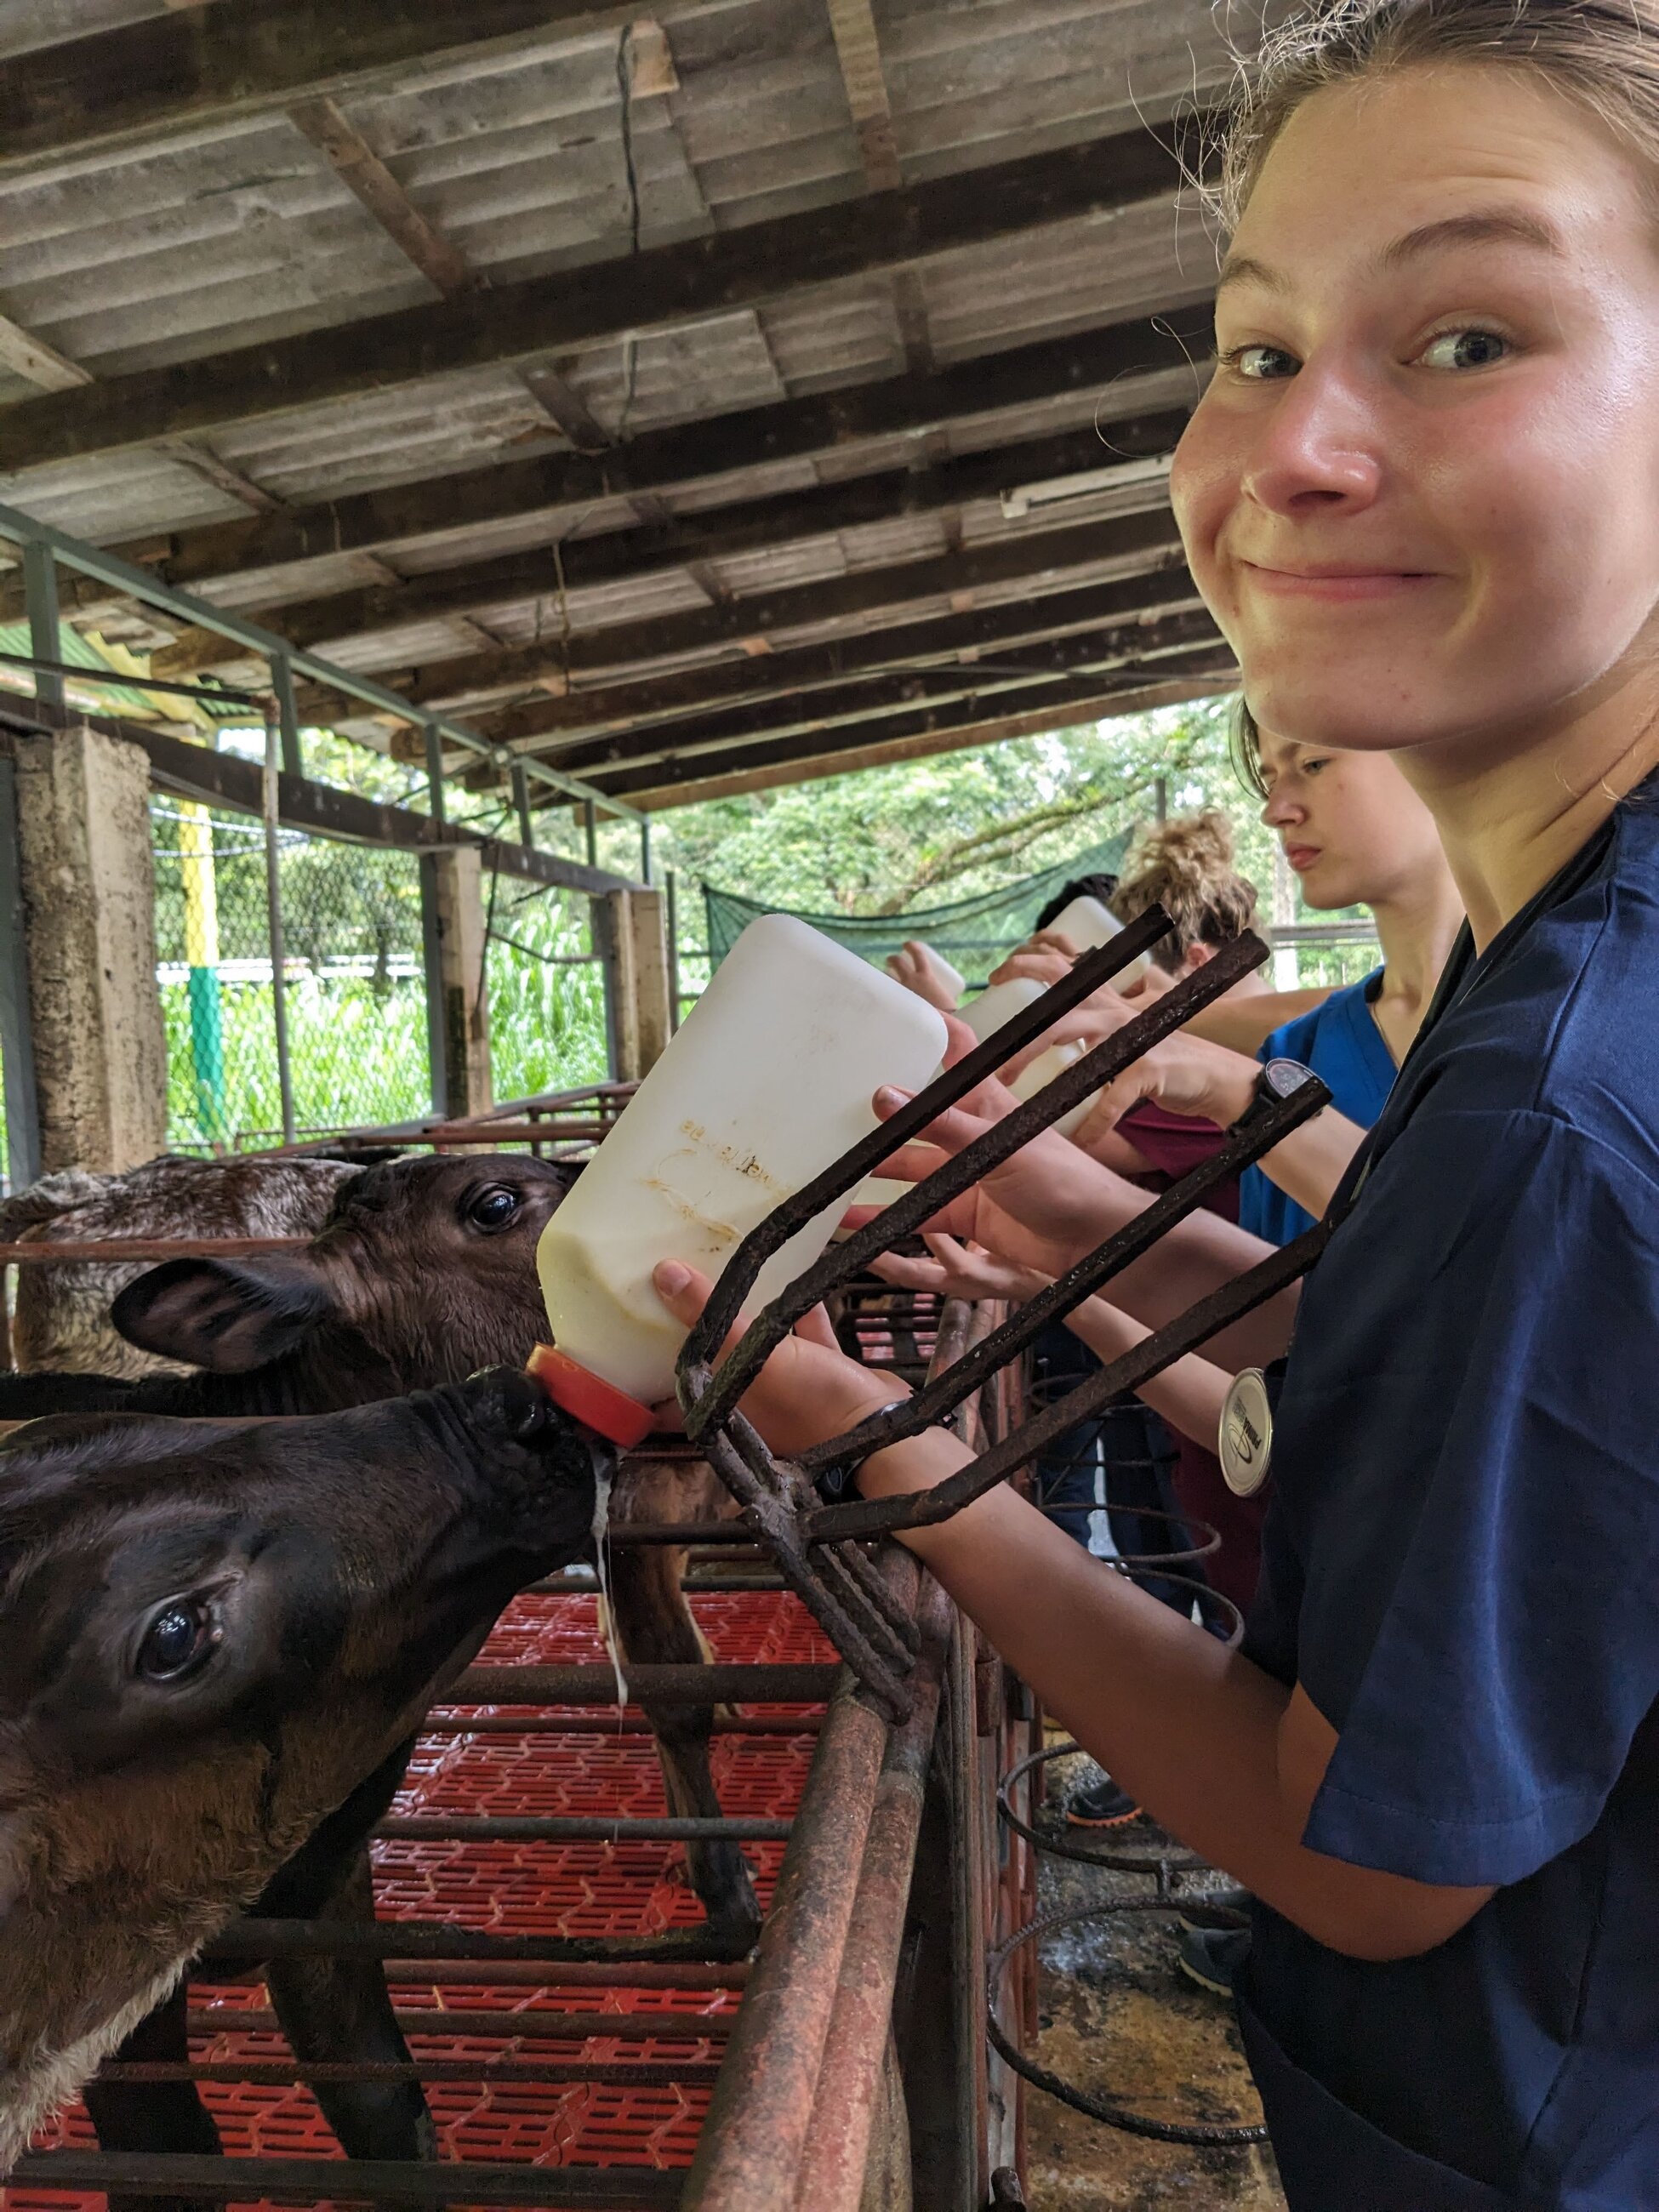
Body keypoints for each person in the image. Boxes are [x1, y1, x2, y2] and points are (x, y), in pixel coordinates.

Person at [649, 7, 1659, 2200]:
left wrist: (891, 1460)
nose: (1293, 450)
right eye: (1257, 347)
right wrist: (1033, 1200)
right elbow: (1410, 1358)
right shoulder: (1549, 949)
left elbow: (1372, 1860)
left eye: (1472, 336)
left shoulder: (1560, 1098)